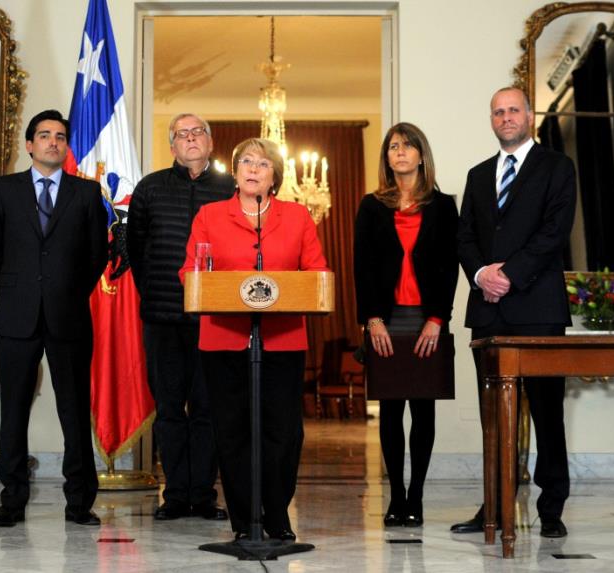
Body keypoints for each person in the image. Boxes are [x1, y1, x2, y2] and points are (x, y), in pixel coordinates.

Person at [179, 138, 329, 542]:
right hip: (223, 341)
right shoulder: (210, 215)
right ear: (235, 170)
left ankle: (277, 515)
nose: (252, 168)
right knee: (232, 431)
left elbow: (316, 273)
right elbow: (191, 272)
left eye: (262, 163)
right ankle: (244, 521)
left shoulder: (297, 217)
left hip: (281, 341)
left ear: (274, 175)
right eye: (246, 161)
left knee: (283, 433)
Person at [454, 87, 576, 538]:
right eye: (498, 112)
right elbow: (464, 237)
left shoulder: (557, 168)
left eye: (513, 110)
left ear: (529, 115)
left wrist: (510, 274)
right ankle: (495, 504)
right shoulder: (478, 174)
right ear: (491, 120)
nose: (506, 117)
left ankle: (551, 508)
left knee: (547, 412)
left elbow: (555, 231)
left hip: (538, 307)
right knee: (494, 417)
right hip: (487, 311)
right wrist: (483, 273)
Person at [0, 109, 109, 527]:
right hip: (16, 318)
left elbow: (96, 257)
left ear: (65, 145)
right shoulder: (3, 190)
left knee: (74, 411)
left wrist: (65, 292)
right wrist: (23, 291)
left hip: (69, 315)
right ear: (30, 145)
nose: (53, 141)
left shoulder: (86, 194)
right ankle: (11, 501)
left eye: (60, 136)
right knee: (13, 411)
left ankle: (79, 503)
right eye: (44, 135)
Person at [127, 113, 233, 521]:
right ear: (172, 146)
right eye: (181, 135)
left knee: (208, 411)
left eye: (197, 132)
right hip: (163, 318)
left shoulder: (230, 188)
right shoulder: (150, 188)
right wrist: (157, 290)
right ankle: (175, 495)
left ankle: (203, 495)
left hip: (216, 319)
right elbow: (136, 249)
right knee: (169, 410)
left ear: (210, 141)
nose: (190, 139)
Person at [354, 122, 459, 528]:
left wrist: (438, 319)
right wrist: (372, 320)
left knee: (424, 409)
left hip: (426, 319)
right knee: (391, 409)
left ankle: (416, 496)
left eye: (407, 146)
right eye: (393, 147)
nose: (399, 152)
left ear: (421, 155)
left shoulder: (444, 205)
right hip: (387, 318)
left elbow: (450, 266)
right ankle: (396, 496)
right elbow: (361, 266)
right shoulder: (371, 206)